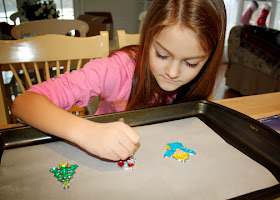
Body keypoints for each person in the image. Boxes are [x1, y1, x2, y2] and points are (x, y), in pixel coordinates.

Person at [11, 0, 227, 162]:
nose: (172, 72)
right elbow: (24, 103)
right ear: (147, 38)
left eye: (191, 63)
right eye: (161, 55)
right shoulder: (117, 70)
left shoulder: (201, 80)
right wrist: (85, 131)